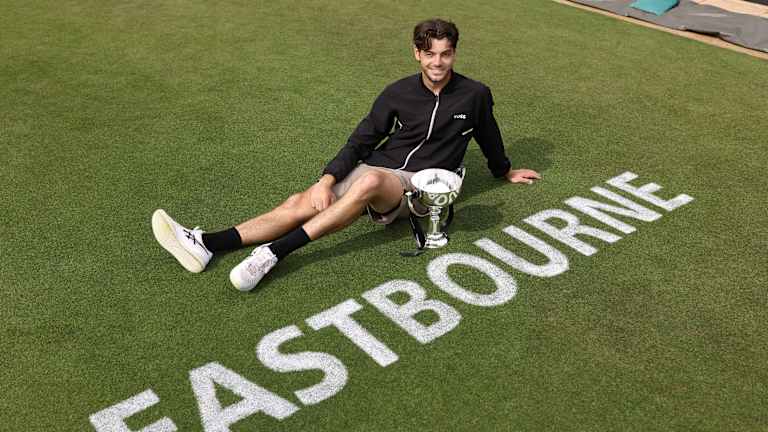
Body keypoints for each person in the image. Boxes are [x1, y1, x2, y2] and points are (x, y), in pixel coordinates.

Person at [151, 18, 541, 292]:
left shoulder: (474, 94)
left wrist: (503, 170)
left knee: (369, 181)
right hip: (384, 168)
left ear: (454, 54)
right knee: (302, 201)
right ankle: (207, 244)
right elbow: (363, 139)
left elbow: (488, 132)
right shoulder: (397, 92)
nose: (437, 63)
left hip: (425, 188)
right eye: (430, 54)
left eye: (446, 54)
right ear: (416, 54)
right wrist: (327, 180)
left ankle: (275, 252)